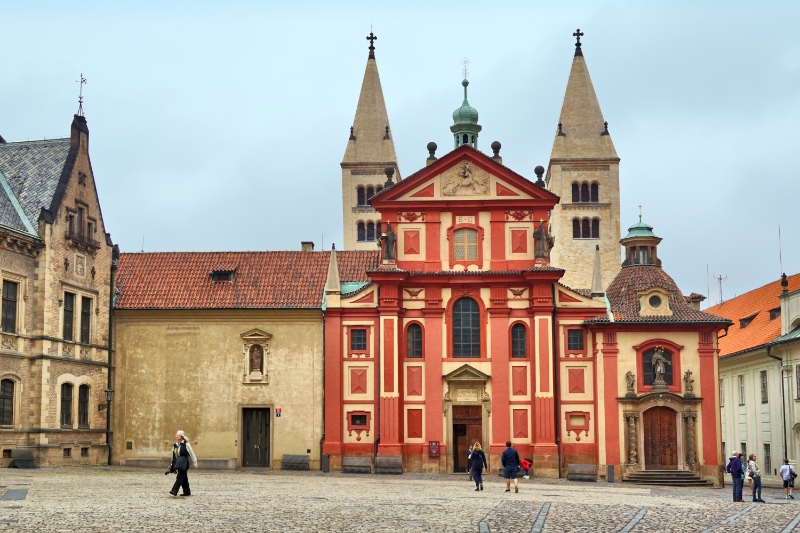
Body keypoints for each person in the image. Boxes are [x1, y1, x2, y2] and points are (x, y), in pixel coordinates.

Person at [169, 430, 198, 497]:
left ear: (181, 436)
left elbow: (191, 453)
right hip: (179, 462)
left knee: (180, 476)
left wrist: (195, 463)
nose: (176, 436)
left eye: (178, 435)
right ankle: (187, 492)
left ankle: (174, 490)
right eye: (176, 435)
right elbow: (173, 456)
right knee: (183, 477)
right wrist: (172, 465)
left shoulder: (186, 444)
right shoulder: (175, 445)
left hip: (185, 462)